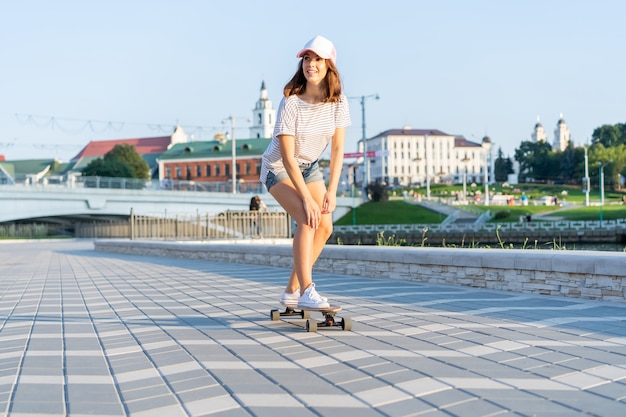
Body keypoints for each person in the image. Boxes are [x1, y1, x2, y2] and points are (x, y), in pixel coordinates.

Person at [259, 35, 351, 309]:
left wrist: (332, 190)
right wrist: (307, 199)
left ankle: (292, 290)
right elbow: (286, 157)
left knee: (325, 225)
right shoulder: (291, 102)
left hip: (309, 167)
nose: (311, 64)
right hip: (277, 168)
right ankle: (307, 291)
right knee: (308, 218)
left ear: (329, 66)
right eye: (307, 59)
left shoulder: (338, 102)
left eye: (318, 59)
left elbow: (337, 150)